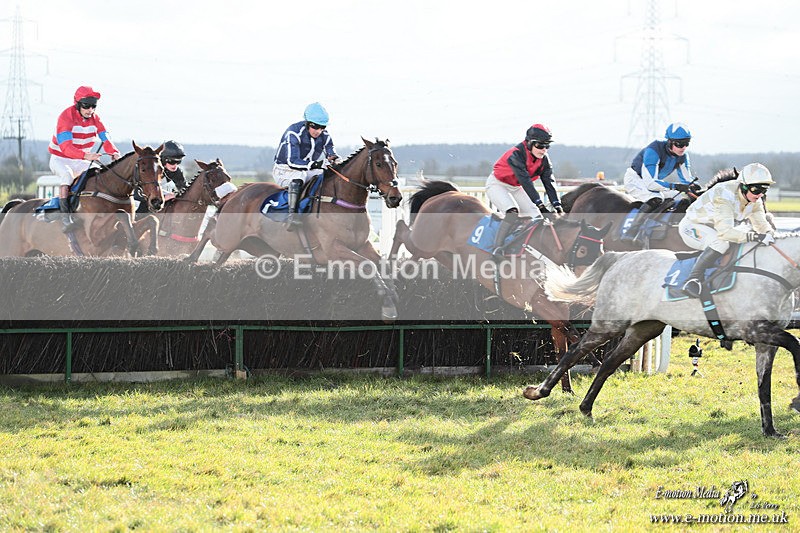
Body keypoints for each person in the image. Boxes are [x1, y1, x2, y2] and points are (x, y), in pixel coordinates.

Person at [678, 162, 775, 298]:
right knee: (722, 243)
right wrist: (755, 237)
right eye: (756, 190)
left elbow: (762, 226)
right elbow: (726, 233)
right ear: (744, 185)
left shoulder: (755, 201)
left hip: (714, 227)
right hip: (692, 226)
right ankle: (692, 280)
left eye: (764, 191)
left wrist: (770, 234)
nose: (759, 195)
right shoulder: (724, 194)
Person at [49, 86, 121, 231]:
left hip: (80, 160)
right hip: (60, 159)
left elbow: (105, 138)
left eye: (93, 106)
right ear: (77, 104)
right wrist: (86, 155)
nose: (90, 110)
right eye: (86, 106)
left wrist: (114, 152)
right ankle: (65, 217)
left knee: (98, 174)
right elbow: (66, 148)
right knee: (68, 176)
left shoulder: (96, 119)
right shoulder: (65, 117)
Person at [485, 123, 563, 255]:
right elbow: (526, 182)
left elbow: (548, 182)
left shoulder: (544, 159)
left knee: (537, 217)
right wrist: (541, 206)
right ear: (529, 143)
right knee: (512, 213)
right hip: (497, 184)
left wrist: (558, 206)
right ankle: (497, 248)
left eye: (547, 146)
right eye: (540, 145)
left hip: (515, 187)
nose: (544, 150)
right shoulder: (516, 155)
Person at [621, 122, 698, 245]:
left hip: (653, 182)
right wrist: (674, 186)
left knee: (681, 197)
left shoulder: (682, 156)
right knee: (656, 198)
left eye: (686, 143)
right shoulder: (654, 150)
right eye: (679, 144)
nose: (683, 148)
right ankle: (631, 232)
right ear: (669, 142)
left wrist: (692, 186)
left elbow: (686, 179)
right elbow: (651, 184)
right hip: (635, 179)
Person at [272, 102, 341, 230]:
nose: (318, 131)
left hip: (308, 168)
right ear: (307, 123)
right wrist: (316, 164)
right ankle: (292, 216)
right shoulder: (293, 133)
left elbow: (331, 152)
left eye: (322, 127)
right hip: (285, 169)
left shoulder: (324, 136)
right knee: (301, 176)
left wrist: (335, 159)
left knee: (327, 177)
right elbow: (292, 161)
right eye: (315, 127)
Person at [136, 140, 187, 214]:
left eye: (178, 162)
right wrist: (164, 196)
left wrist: (176, 194)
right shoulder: (150, 170)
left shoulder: (177, 172)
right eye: (172, 162)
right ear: (163, 159)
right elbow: (137, 194)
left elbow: (184, 189)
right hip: (142, 206)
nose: (175, 165)